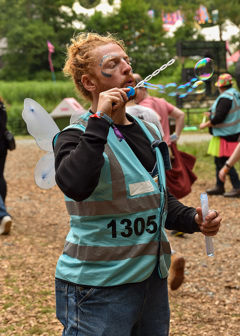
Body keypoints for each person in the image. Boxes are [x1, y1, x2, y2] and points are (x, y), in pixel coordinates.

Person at [53, 32, 221, 336]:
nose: (128, 68)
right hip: (97, 287)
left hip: (150, 281)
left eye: (127, 61)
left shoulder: (148, 130)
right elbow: (75, 186)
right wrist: (99, 119)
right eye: (114, 64)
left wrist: (192, 219)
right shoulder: (74, 136)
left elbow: (156, 198)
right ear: (90, 83)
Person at [126, 88, 185, 291]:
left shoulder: (130, 113)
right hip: (157, 161)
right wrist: (174, 138)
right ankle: (170, 254)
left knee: (139, 218)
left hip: (131, 169)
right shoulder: (153, 111)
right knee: (158, 205)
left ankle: (166, 255)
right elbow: (162, 131)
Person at [133, 73, 197, 202]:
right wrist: (175, 136)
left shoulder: (143, 106)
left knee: (161, 188)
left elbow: (157, 118)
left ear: (143, 89)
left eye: (134, 89)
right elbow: (180, 115)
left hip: (158, 150)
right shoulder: (161, 101)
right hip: (169, 148)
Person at [200, 73, 240, 197]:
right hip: (231, 132)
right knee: (218, 159)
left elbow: (219, 117)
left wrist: (206, 124)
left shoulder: (225, 97)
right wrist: (210, 114)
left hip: (226, 134)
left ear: (220, 86)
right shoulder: (235, 94)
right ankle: (219, 185)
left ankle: (237, 187)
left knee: (224, 160)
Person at [0, 97, 12, 234]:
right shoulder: (1, 104)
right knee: (0, 177)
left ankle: (2, 214)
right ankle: (2, 209)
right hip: (3, 145)